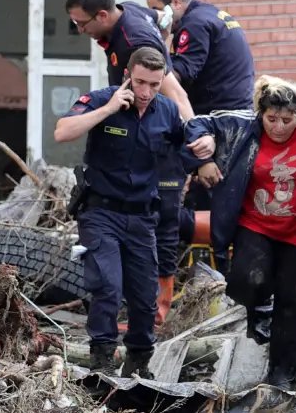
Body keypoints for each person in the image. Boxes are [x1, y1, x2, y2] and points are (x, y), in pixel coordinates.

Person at [183, 77, 296, 413]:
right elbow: (197, 123)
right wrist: (203, 158)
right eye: (272, 119)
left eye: (287, 119)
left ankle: (282, 377)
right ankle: (259, 315)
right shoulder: (242, 125)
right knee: (247, 280)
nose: (280, 126)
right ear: (262, 114)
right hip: (256, 224)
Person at [53, 47, 198, 376]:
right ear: (127, 76)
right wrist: (107, 110)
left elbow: (183, 149)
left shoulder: (166, 112)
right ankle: (101, 364)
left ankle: (138, 365)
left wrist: (202, 151)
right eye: (140, 82)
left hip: (142, 215)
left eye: (155, 85)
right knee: (107, 285)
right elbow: (62, 132)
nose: (146, 92)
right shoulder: (102, 99)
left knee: (145, 294)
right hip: (101, 212)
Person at [144, 0, 257, 316]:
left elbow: (181, 74)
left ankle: (214, 287)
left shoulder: (193, 25)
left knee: (206, 200)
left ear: (175, 2)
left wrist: (156, 48)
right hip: (231, 119)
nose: (155, 15)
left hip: (218, 124)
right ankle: (208, 281)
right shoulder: (213, 15)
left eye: (156, 8)